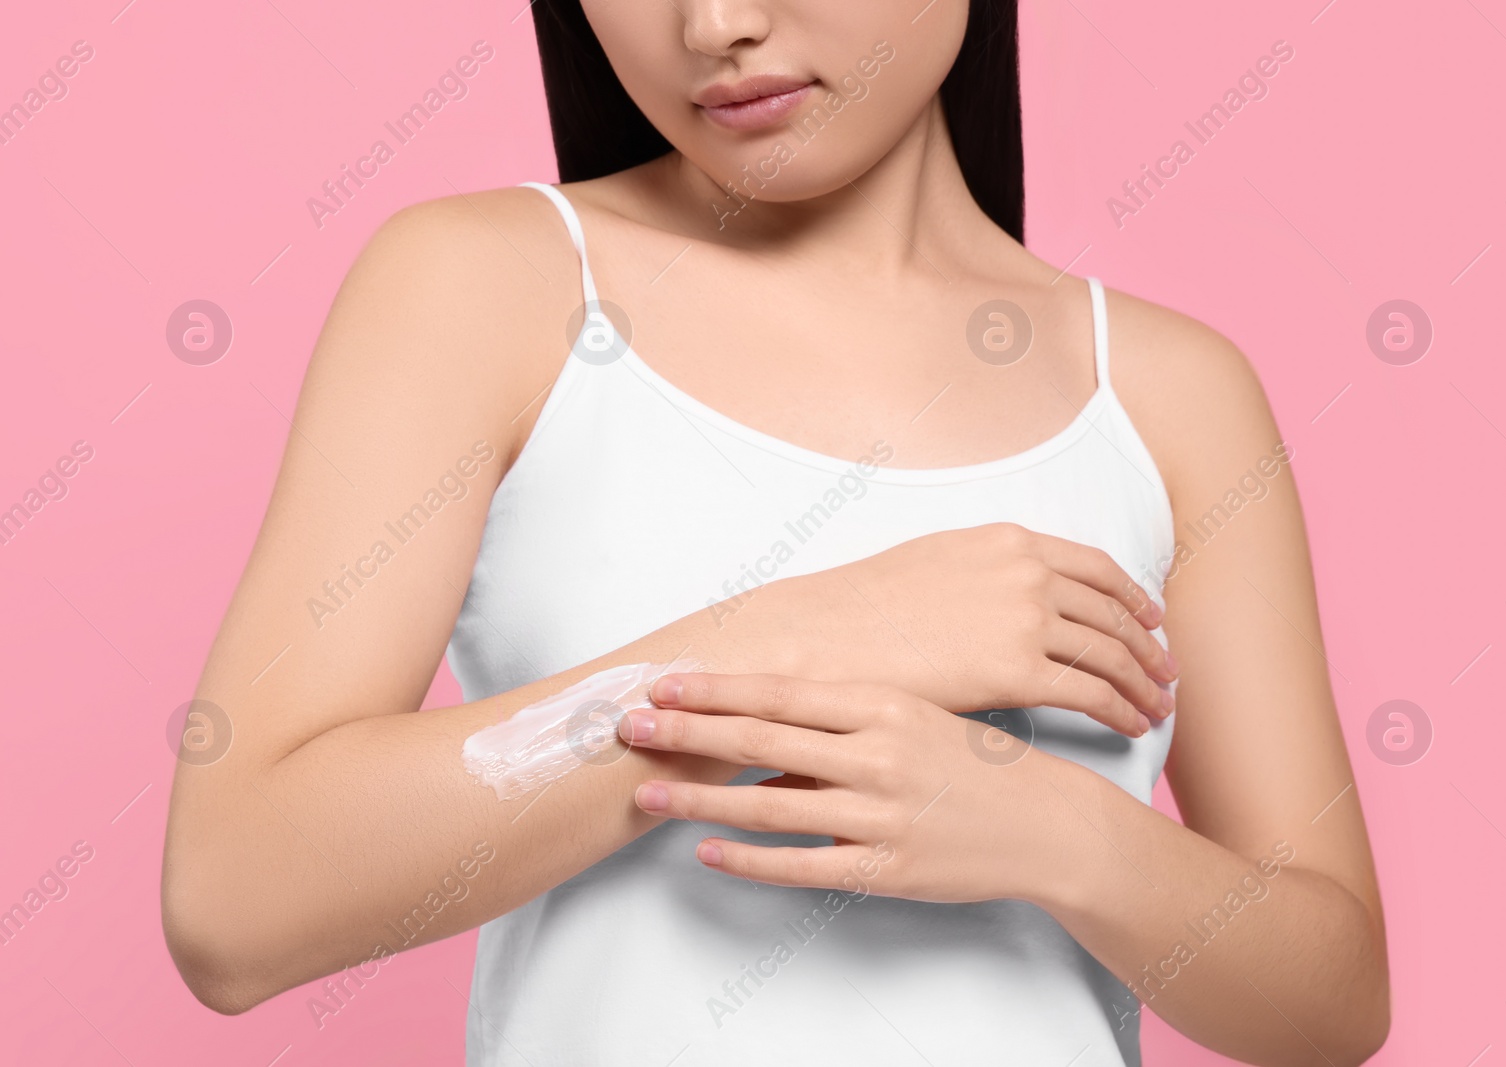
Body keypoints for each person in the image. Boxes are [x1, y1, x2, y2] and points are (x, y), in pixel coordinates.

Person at [162, 1, 1389, 1063]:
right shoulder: (491, 287)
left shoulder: (1164, 392)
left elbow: (1331, 1000)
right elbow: (237, 898)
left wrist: (1053, 831)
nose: (712, 27)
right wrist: (806, 637)